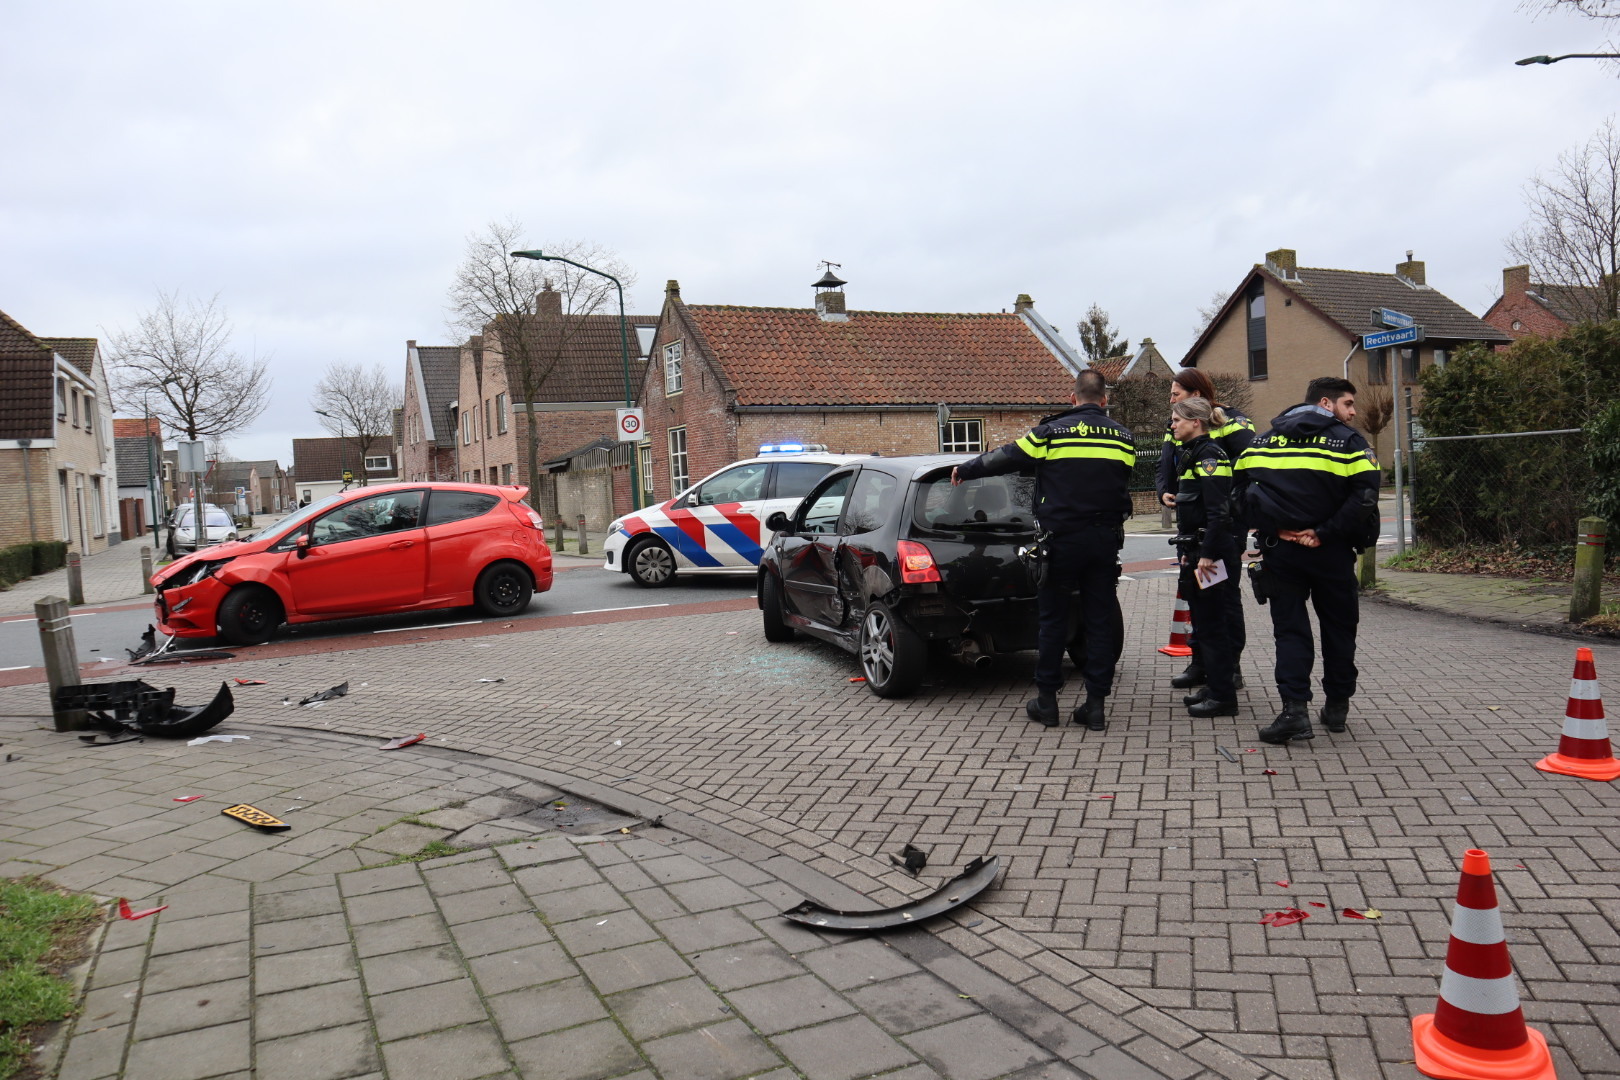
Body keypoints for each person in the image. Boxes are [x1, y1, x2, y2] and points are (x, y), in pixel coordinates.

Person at [952, 369, 1134, 730]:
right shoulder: (1125, 438)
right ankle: (1095, 707)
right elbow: (1119, 480)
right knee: (1098, 623)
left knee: (1052, 620)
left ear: (1073, 398)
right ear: (1105, 399)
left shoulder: (1051, 433)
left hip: (1061, 540)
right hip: (1104, 540)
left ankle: (1047, 703)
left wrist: (966, 469)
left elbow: (1005, 457)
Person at [1235, 376, 1380, 743]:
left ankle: (1294, 711)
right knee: (1339, 628)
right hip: (1331, 553)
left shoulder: (1263, 441)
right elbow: (1365, 497)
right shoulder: (1349, 443)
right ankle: (1336, 708)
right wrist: (1324, 532)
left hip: (1281, 552)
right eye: (1349, 404)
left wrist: (1275, 528)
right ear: (1327, 404)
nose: (1353, 412)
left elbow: (1237, 495)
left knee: (1290, 631)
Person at [1154, 368, 1255, 692]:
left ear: (1195, 395)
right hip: (1193, 530)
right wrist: (1164, 491)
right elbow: (1166, 463)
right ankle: (1202, 662)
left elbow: (1250, 466)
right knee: (1198, 597)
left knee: (1221, 599)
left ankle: (1228, 668)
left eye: (1175, 394)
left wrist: (1230, 508)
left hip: (1218, 529)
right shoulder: (1179, 424)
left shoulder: (1233, 424)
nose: (1171, 402)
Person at [1167, 397, 1240, 717]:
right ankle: (1215, 685)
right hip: (1196, 551)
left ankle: (1224, 696)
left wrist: (1206, 555)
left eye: (1177, 420)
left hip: (1209, 555)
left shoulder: (1209, 455)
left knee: (1213, 623)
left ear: (1196, 422)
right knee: (1204, 621)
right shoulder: (1195, 453)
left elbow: (1218, 512)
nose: (1172, 425)